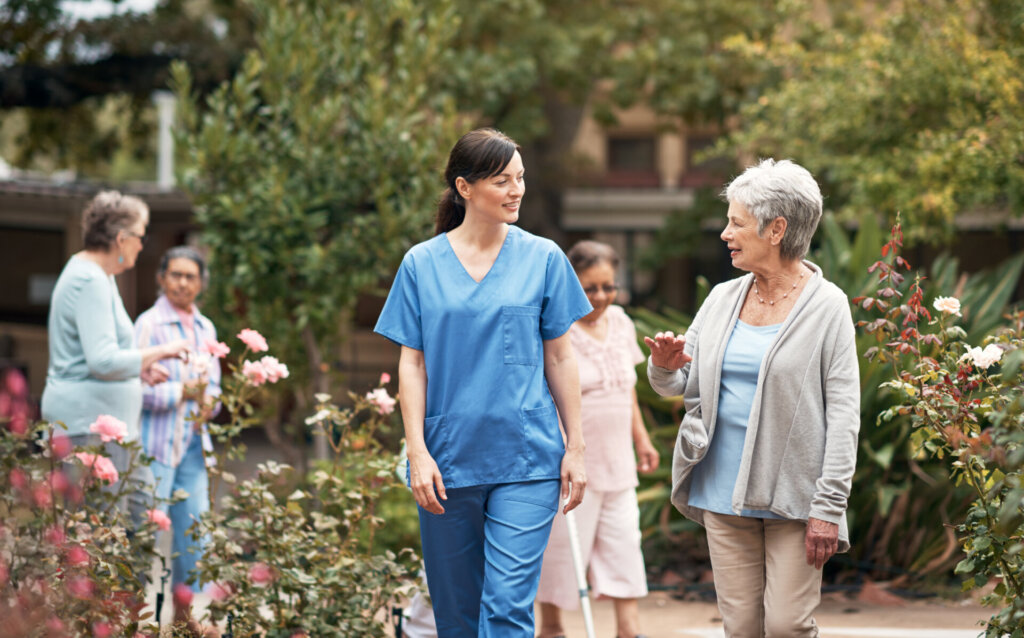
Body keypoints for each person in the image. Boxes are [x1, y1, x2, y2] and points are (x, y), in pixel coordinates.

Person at [374, 128, 593, 637]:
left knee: (506, 609)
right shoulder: (421, 265)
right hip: (448, 461)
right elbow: (413, 365)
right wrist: (417, 452)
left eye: (520, 178)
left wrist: (575, 448)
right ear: (464, 188)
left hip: (528, 459)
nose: (516, 190)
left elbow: (560, 358)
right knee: (456, 616)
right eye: (502, 180)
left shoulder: (543, 258)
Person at [644, 159, 860, 637]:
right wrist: (664, 365)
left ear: (777, 228)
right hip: (723, 493)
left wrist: (829, 506)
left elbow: (844, 415)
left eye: (737, 223)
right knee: (741, 627)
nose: (725, 234)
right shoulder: (722, 298)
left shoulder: (828, 307)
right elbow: (680, 386)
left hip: (796, 500)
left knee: (786, 626)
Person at [41, 191, 189, 522]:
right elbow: (103, 362)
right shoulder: (88, 279)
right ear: (122, 239)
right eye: (141, 235)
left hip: (112, 429)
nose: (142, 243)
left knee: (142, 520)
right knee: (101, 534)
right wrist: (163, 350)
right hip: (88, 428)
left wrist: (139, 368)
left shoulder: (100, 277)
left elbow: (105, 355)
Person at [536, 240, 658, 638]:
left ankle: (630, 630)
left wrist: (642, 439)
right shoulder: (557, 328)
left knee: (625, 548)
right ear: (572, 284)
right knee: (560, 555)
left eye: (608, 286)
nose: (601, 297)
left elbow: (626, 391)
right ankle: (551, 628)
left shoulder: (621, 321)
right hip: (572, 463)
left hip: (619, 462)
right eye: (590, 288)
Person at [134, 246, 221, 620]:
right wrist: (182, 392)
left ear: (201, 283)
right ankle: (126, 617)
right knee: (143, 537)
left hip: (194, 449)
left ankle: (184, 620)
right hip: (155, 448)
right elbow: (134, 387)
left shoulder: (206, 328)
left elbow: (214, 390)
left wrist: (208, 403)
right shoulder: (149, 325)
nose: (182, 283)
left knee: (193, 540)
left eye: (190, 276)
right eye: (175, 275)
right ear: (161, 278)